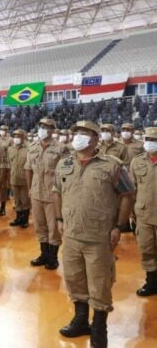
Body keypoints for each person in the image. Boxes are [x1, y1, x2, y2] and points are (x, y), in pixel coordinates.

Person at [54, 121, 134, 348]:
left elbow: (127, 194)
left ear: (96, 139)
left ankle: (99, 327)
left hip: (99, 236)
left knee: (99, 283)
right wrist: (59, 219)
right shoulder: (65, 163)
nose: (78, 136)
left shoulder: (112, 165)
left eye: (84, 133)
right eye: (76, 133)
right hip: (71, 234)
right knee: (74, 278)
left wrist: (119, 225)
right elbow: (57, 191)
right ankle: (81, 320)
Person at [25, 118, 68, 270]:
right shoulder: (32, 147)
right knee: (39, 225)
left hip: (52, 193)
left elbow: (66, 173)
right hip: (36, 192)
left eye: (46, 127)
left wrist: (63, 193)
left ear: (52, 130)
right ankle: (43, 254)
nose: (43, 129)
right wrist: (30, 188)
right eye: (41, 126)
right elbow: (28, 168)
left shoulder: (61, 148)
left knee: (53, 227)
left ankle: (53, 257)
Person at [130, 127, 157, 297]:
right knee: (146, 249)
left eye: (154, 140)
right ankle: (151, 282)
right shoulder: (137, 161)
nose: (150, 143)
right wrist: (132, 213)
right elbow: (132, 188)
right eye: (148, 139)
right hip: (144, 214)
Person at [8, 129, 30, 228]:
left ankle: (25, 220)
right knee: (16, 200)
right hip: (14, 179)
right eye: (15, 136)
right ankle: (18, 218)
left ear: (23, 137)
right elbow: (9, 164)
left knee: (25, 201)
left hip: (25, 180)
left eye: (19, 136)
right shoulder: (10, 149)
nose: (16, 138)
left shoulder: (29, 149)